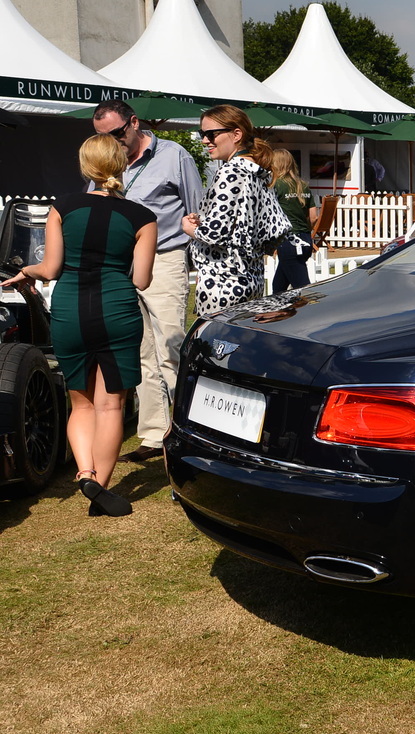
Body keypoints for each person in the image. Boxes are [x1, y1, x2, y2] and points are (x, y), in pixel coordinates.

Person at [2, 135, 156, 516]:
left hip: (72, 309)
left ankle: (84, 470)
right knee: (111, 405)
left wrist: (27, 271)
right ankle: (99, 486)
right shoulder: (143, 217)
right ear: (122, 166)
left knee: (81, 404)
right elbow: (141, 280)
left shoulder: (63, 208)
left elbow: (50, 268)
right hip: (117, 310)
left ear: (86, 166)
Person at [90, 98, 203, 465]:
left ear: (134, 123)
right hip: (120, 263)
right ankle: (154, 434)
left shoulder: (174, 155)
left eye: (117, 133)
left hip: (164, 258)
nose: (113, 142)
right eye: (102, 136)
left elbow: (195, 210)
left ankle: (188, 433)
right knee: (139, 349)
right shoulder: (107, 158)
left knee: (170, 343)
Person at [183, 105, 280, 316]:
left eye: (211, 134)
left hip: (223, 282)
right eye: (203, 133)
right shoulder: (256, 172)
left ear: (237, 134)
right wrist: (203, 219)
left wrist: (189, 227)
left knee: (215, 346)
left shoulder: (231, 171)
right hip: (251, 278)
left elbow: (214, 233)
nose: (204, 140)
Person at [269, 147, 319, 294]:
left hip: (289, 240)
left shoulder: (276, 185)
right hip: (305, 238)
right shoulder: (303, 185)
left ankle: (314, 315)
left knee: (303, 290)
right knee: (278, 286)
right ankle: (281, 314)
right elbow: (314, 217)